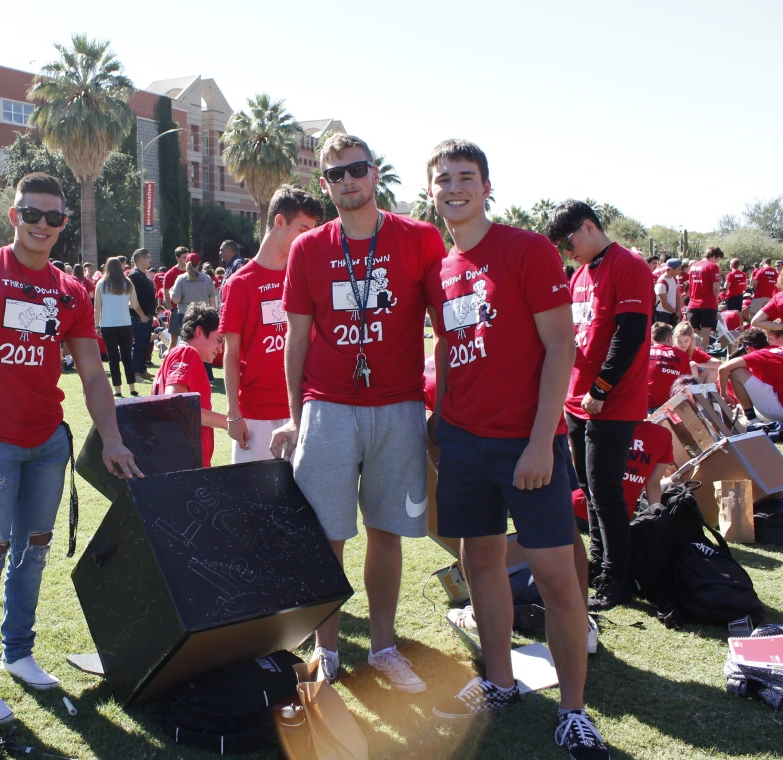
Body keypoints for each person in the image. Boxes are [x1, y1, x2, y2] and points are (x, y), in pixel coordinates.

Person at [0, 172, 141, 724]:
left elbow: (93, 375)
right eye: (33, 213)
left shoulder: (68, 290)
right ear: (13, 214)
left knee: (35, 552)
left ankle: (18, 651)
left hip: (47, 444)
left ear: (64, 224)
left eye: (54, 217)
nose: (42, 225)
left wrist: (112, 438)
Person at [421, 142, 608, 758]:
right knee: (480, 565)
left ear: (486, 185)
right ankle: (499, 682)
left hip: (528, 445)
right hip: (464, 443)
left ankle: (574, 710)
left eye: (466, 177)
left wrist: (538, 443)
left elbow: (560, 348)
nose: (454, 187)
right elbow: (450, 352)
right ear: (432, 191)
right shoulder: (441, 269)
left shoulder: (526, 249)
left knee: (557, 577)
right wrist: (440, 424)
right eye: (443, 179)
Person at [270, 133, 443, 693]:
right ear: (326, 184)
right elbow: (296, 340)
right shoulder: (310, 248)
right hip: (328, 407)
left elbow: (445, 329)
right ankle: (327, 649)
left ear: (375, 175)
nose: (348, 180)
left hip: (398, 405)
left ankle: (386, 646)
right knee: (327, 536)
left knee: (385, 530)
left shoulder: (419, 238)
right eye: (336, 174)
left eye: (357, 170)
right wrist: (297, 415)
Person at [547, 199, 652, 613]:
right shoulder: (582, 274)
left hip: (610, 402)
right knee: (589, 491)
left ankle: (616, 577)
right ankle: (597, 562)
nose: (564, 249)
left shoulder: (628, 265)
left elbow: (630, 336)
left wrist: (603, 389)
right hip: (578, 400)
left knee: (607, 491)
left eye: (566, 240)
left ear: (588, 227)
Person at [221, 185, 322, 464]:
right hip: (255, 417)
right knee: (254, 504)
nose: (309, 239)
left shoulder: (307, 279)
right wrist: (233, 414)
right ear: (279, 221)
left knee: (302, 503)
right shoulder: (239, 284)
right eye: (304, 230)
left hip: (303, 411)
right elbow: (231, 354)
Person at [152, 302, 227, 466]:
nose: (221, 349)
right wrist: (228, 422)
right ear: (199, 331)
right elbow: (175, 404)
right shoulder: (186, 353)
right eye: (219, 340)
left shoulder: (176, 353)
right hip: (184, 462)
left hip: (175, 459)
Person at [94, 256, 149, 398]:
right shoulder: (128, 283)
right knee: (126, 357)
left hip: (108, 324)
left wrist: (97, 325)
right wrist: (142, 316)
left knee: (113, 358)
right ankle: (132, 387)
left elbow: (97, 307)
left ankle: (117, 389)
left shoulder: (101, 284)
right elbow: (135, 304)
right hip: (125, 324)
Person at [719, 327, 783, 422]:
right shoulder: (779, 348)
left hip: (779, 411)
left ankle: (752, 420)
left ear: (748, 348)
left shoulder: (759, 355)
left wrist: (724, 395)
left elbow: (723, 368)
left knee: (737, 372)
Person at [128, 249, 158, 382]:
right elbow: (133, 300)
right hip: (138, 317)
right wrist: (141, 315)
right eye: (148, 258)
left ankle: (142, 370)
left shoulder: (144, 275)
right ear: (141, 259)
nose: (150, 260)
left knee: (145, 344)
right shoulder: (134, 275)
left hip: (147, 316)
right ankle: (135, 373)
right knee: (138, 345)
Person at [687, 247, 724, 347]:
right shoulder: (712, 266)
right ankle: (702, 356)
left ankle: (692, 354)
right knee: (705, 334)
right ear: (714, 257)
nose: (717, 261)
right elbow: (716, 288)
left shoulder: (693, 266)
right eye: (718, 259)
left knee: (694, 333)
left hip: (693, 303)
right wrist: (716, 302)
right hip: (707, 304)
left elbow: (690, 285)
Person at [163, 247, 189, 349]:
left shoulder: (191, 271)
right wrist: (172, 310)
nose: (187, 260)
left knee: (191, 339)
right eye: (184, 257)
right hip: (176, 310)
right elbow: (166, 295)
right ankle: (169, 361)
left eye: (188, 257)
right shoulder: (170, 274)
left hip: (190, 310)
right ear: (177, 258)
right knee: (174, 339)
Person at [653, 258, 681, 326]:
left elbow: (677, 296)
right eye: (678, 269)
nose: (680, 272)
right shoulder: (661, 283)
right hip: (662, 314)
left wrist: (678, 309)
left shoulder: (674, 279)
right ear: (671, 269)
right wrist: (675, 311)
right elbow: (664, 304)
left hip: (672, 313)